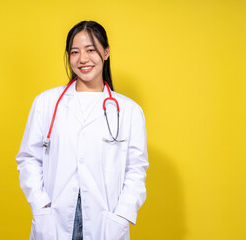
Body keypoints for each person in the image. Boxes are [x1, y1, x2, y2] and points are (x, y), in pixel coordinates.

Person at [16, 20, 149, 240]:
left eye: (91, 50)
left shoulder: (129, 110)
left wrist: (122, 215)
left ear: (105, 53)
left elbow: (136, 170)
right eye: (75, 52)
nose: (83, 59)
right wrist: (41, 204)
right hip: (54, 218)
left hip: (105, 221)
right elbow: (28, 158)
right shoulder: (46, 103)